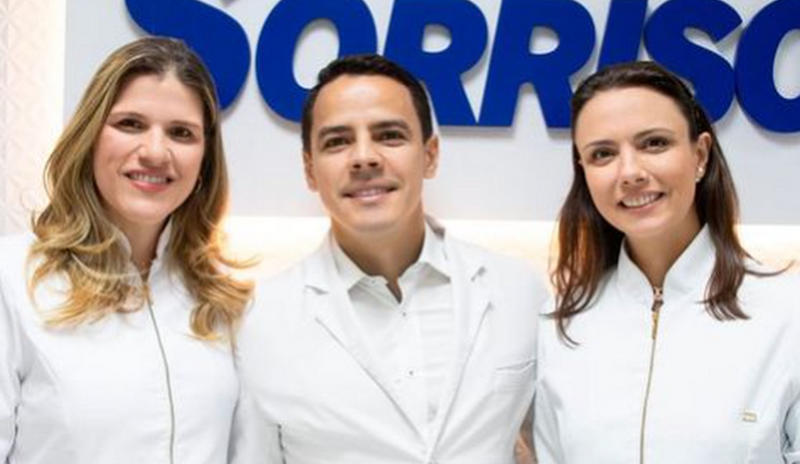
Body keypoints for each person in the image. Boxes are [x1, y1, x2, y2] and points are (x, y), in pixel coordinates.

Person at [232, 54, 548, 464]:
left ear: (430, 155)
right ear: (310, 170)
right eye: (337, 141)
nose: (364, 158)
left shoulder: (519, 291)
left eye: (389, 135)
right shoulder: (261, 321)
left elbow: (553, 444)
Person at [0, 37, 252, 464]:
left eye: (181, 133)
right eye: (130, 124)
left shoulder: (222, 300)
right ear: (90, 137)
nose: (155, 152)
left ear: (205, 160)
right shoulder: (12, 280)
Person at [534, 61, 800, 464]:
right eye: (603, 154)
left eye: (654, 143)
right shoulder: (561, 324)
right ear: (583, 171)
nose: (630, 172)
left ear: (700, 155)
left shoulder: (787, 312)